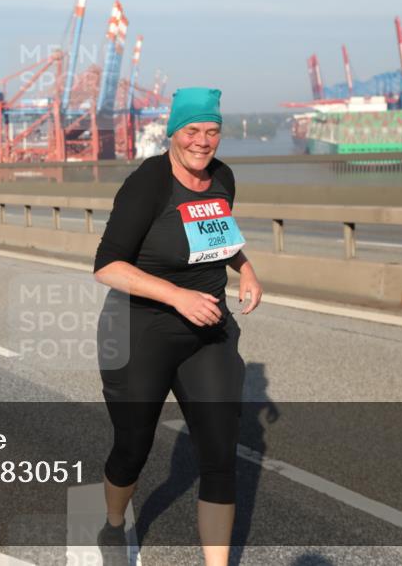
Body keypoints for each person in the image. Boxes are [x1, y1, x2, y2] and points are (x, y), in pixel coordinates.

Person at [92, 87, 263, 566]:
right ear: (173, 132)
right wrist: (176, 296)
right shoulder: (149, 183)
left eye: (212, 131)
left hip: (207, 332)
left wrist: (245, 268)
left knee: (219, 453)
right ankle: (113, 524)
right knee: (133, 447)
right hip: (139, 329)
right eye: (192, 131)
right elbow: (107, 266)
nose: (202, 141)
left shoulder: (223, 177)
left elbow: (219, 235)